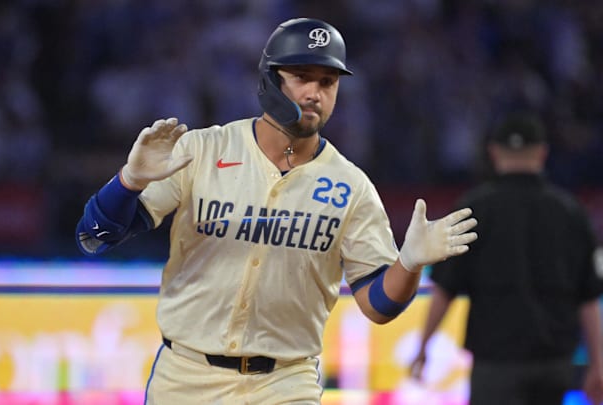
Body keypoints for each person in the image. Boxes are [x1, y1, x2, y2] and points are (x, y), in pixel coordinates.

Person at [76, 18, 478, 404]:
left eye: (327, 82)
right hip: (186, 378)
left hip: (285, 384)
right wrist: (128, 182)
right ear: (270, 80)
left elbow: (378, 306)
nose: (314, 93)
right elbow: (94, 237)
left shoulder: (351, 187)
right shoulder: (202, 150)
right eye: (301, 76)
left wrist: (408, 264)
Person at [409, 113, 603, 405]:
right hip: (553, 363)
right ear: (542, 152)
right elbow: (588, 297)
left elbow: (445, 290)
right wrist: (598, 364)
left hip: (495, 362)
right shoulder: (570, 212)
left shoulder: (474, 209)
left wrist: (423, 348)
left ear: (494, 152)